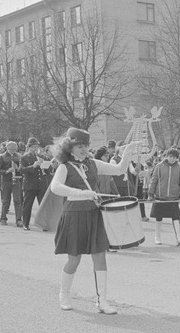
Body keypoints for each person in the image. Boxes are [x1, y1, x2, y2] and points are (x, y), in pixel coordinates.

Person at [50, 128, 139, 314]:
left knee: (100, 256)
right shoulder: (64, 166)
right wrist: (80, 193)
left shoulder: (93, 164)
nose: (83, 149)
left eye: (86, 146)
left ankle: (102, 300)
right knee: (74, 259)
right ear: (69, 147)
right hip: (74, 214)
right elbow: (55, 187)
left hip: (93, 213)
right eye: (79, 146)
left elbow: (119, 170)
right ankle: (64, 295)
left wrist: (127, 152)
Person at [148, 148, 180, 246]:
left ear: (177, 158)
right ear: (167, 156)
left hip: (173, 197)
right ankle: (157, 237)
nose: (172, 159)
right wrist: (150, 193)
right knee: (158, 217)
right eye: (170, 157)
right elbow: (154, 180)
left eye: (174, 157)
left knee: (176, 217)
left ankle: (178, 237)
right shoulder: (159, 166)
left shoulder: (179, 168)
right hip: (160, 196)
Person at [20, 137, 47, 231]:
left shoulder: (39, 156)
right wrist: (33, 166)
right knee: (27, 205)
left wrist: (44, 164)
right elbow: (21, 170)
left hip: (40, 184)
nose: (35, 149)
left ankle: (44, 225)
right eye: (33, 147)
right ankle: (25, 224)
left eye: (36, 147)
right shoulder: (24, 157)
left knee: (42, 205)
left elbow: (45, 169)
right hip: (30, 185)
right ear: (29, 147)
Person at [0, 141, 22, 226]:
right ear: (7, 148)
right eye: (11, 149)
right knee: (6, 200)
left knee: (17, 200)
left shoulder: (18, 156)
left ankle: (18, 219)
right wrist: (7, 171)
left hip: (16, 180)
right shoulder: (2, 157)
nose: (13, 151)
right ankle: (3, 218)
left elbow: (21, 170)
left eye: (14, 149)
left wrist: (18, 168)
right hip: (6, 180)